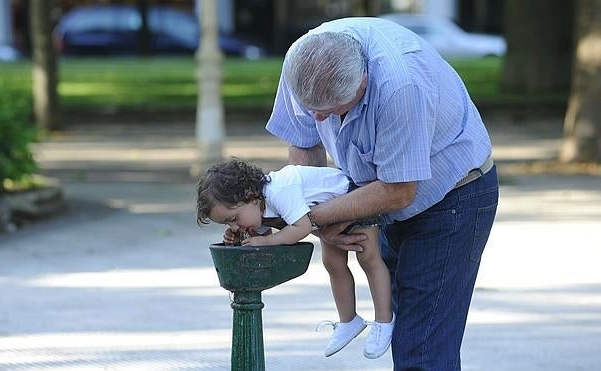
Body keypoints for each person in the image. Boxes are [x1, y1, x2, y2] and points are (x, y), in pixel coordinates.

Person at [266, 17, 499, 370]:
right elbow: (304, 151)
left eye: (329, 111)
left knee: (421, 349)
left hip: (453, 196)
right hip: (375, 192)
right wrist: (320, 214)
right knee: (406, 333)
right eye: (311, 107)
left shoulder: (400, 86)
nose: (316, 116)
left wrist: (313, 219)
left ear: (362, 83)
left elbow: (399, 190)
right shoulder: (303, 60)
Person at [196, 157, 394, 359]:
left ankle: (384, 320)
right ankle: (349, 320)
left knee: (368, 259)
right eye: (228, 225)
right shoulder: (256, 208)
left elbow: (301, 227)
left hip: (350, 198)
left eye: (233, 220)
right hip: (326, 215)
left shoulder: (279, 191)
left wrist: (266, 241)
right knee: (332, 263)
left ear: (250, 196)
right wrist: (240, 237)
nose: (234, 227)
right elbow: (264, 237)